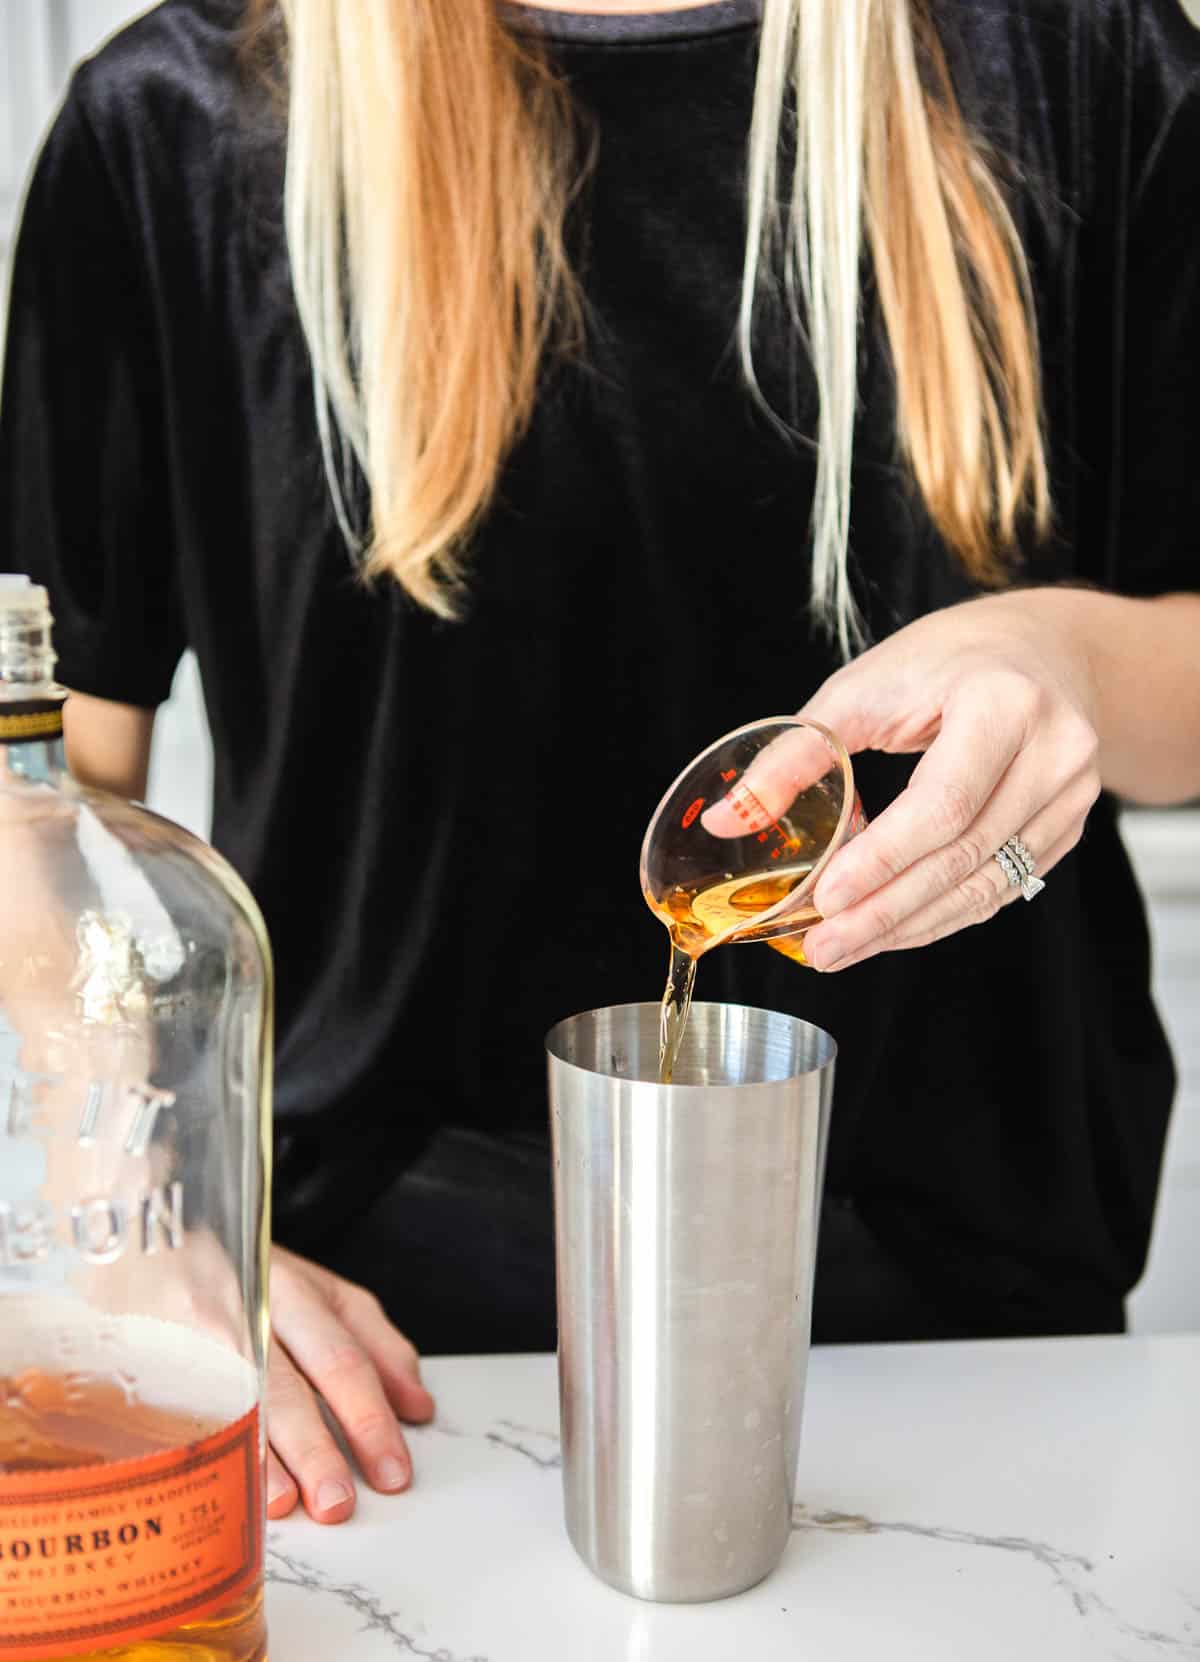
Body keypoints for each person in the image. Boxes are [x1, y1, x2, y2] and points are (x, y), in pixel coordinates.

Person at [2, 0, 1198, 1525]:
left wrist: (1070, 657)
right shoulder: (176, 116)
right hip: (369, 1375)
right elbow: (42, 774)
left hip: (973, 1330)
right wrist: (127, 1216)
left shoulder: (1075, 54)